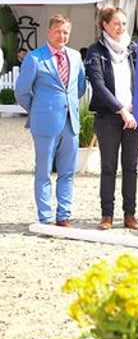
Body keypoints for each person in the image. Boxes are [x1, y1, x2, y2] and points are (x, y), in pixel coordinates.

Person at [14, 14, 87, 226]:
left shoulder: (74, 57)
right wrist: (38, 110)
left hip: (70, 122)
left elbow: (80, 87)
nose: (62, 36)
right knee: (43, 171)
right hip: (44, 123)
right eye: (58, 31)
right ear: (49, 32)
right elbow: (21, 92)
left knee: (68, 171)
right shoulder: (35, 58)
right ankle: (45, 217)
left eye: (66, 32)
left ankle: (64, 215)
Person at [84, 7, 138, 231]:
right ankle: (107, 215)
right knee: (108, 167)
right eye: (116, 23)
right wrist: (121, 109)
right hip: (108, 117)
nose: (121, 28)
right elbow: (98, 85)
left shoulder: (134, 49)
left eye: (124, 24)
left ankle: (130, 214)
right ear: (105, 25)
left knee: (131, 166)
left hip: (133, 117)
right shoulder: (95, 51)